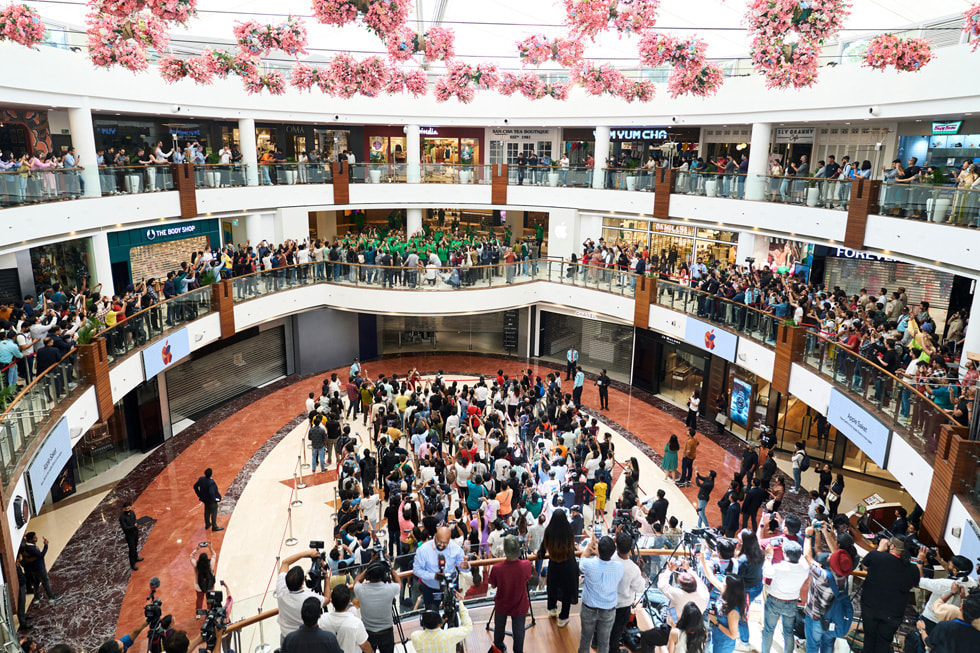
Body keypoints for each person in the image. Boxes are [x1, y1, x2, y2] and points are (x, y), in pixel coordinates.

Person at [860, 536, 919, 653]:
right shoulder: (912, 568)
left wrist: (879, 549)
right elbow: (914, 583)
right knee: (884, 642)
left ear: (891, 546)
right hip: (893, 612)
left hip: (870, 607)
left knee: (869, 638)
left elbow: (865, 565)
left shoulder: (877, 556)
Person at [802, 525, 853, 653]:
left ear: (833, 563)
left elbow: (808, 556)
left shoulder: (823, 576)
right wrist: (824, 532)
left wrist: (808, 536)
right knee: (828, 645)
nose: (830, 555)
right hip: (833, 618)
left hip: (816, 618)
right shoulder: (845, 573)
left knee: (812, 646)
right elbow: (837, 555)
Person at [578, 533, 624, 653]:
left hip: (589, 609)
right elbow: (606, 562)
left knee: (585, 639)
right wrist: (600, 553)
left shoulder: (589, 565)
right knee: (604, 642)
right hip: (608, 610)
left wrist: (589, 546)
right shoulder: (619, 567)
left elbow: (582, 559)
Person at [488, 535, 534, 653]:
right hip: (519, 604)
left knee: (499, 629)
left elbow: (493, 585)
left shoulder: (497, 568)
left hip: (502, 603)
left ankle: (499, 648)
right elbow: (529, 577)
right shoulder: (526, 565)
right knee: (519, 631)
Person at [760, 540, 808, 653]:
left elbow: (766, 572)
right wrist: (790, 547)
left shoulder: (779, 567)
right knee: (788, 631)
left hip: (774, 602)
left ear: (785, 555)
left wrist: (768, 556)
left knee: (768, 630)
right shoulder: (804, 568)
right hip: (791, 602)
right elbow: (802, 557)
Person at [277, 549, 327, 643]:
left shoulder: (281, 589)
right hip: (304, 640)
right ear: (303, 582)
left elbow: (285, 563)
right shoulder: (309, 598)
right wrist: (326, 577)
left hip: (286, 638)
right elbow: (327, 599)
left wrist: (307, 553)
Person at [539, 509, 579, 627]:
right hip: (568, 564)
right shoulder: (569, 530)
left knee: (553, 586)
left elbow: (543, 547)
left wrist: (540, 553)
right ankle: (563, 617)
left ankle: (552, 609)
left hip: (554, 563)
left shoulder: (549, 531)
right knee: (567, 590)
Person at [413, 526, 470, 609]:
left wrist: (465, 566)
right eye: (439, 541)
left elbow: (463, 566)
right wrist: (433, 576)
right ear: (435, 536)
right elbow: (416, 570)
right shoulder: (423, 550)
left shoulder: (456, 549)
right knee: (432, 616)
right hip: (430, 589)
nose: (442, 545)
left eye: (445, 543)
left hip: (451, 587)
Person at [353, 560, 401, 653]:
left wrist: (369, 565)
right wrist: (391, 568)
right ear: (383, 575)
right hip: (387, 633)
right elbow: (399, 583)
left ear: (368, 576)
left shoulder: (361, 590)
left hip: (368, 633)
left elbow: (357, 580)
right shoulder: (390, 588)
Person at [609, 532, 646, 653]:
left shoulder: (608, 558)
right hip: (623, 607)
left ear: (616, 545)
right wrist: (641, 572)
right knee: (616, 633)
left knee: (606, 629)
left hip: (606, 603)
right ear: (631, 548)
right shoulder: (633, 568)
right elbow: (640, 588)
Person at [319, 585, 372, 653]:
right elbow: (365, 646)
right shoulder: (356, 623)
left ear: (331, 601)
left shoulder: (322, 619)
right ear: (349, 602)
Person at [21, 532, 58, 601]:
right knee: (45, 581)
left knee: (36, 583)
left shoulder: (27, 546)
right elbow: (41, 555)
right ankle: (51, 597)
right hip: (39, 568)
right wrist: (46, 545)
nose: (37, 538)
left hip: (34, 569)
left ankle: (36, 598)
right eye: (35, 537)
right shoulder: (31, 549)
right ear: (30, 540)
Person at [119, 502, 144, 571]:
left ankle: (136, 558)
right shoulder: (122, 517)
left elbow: (135, 519)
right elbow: (125, 528)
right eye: (126, 509)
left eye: (129, 508)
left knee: (135, 546)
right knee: (132, 549)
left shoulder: (132, 513)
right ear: (124, 509)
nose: (128, 510)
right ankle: (132, 564)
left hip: (135, 533)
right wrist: (133, 526)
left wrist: (136, 523)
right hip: (129, 536)